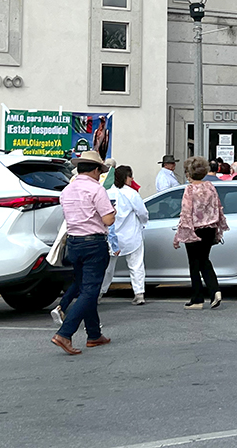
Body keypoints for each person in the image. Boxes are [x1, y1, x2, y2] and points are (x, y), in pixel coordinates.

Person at [51, 151, 115, 355]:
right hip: (93, 242)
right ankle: (65, 332)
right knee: (90, 291)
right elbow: (108, 220)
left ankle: (94, 334)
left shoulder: (67, 191)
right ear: (96, 170)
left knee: (85, 286)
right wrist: (112, 211)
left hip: (74, 242)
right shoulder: (96, 190)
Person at [173, 156, 229, 309]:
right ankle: (214, 290)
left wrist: (180, 234)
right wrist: (219, 227)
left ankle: (197, 298)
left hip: (195, 229)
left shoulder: (189, 189)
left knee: (194, 264)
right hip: (210, 229)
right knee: (204, 260)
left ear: (189, 173)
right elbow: (218, 207)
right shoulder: (210, 186)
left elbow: (186, 212)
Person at [99, 166, 148, 305]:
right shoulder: (132, 194)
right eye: (130, 176)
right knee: (136, 265)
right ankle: (139, 294)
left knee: (107, 268)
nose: (132, 179)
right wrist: (144, 223)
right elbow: (142, 213)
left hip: (111, 235)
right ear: (126, 177)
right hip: (131, 235)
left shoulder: (107, 193)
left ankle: (99, 293)